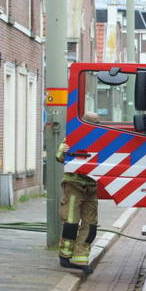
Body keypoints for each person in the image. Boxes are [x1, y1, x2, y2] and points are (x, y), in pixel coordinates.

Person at [57, 112, 102, 273]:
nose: (97, 126)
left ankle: (80, 258)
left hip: (91, 187)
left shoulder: (103, 140)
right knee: (71, 222)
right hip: (74, 185)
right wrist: (67, 150)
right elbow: (59, 156)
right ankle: (65, 255)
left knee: (91, 225)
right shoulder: (73, 138)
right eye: (94, 123)